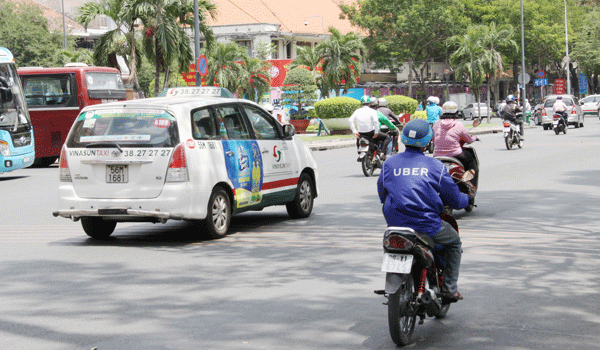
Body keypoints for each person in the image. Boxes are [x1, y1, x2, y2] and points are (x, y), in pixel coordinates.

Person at [377, 119, 471, 302]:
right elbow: (455, 199)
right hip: (426, 224)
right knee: (454, 244)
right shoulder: (435, 166)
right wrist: (468, 198)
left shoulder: (389, 163)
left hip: (394, 223)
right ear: (428, 141)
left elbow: (382, 193)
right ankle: (450, 289)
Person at [433, 101, 479, 176]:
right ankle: (471, 182)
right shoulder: (458, 124)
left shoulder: (436, 123)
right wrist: (475, 138)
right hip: (455, 154)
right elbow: (469, 139)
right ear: (456, 112)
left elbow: (433, 139)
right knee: (471, 160)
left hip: (437, 155)